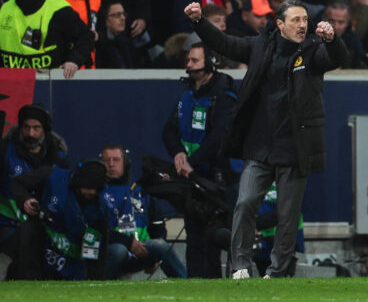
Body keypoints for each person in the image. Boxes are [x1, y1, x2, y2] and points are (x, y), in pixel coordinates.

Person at [184, 0, 350, 278]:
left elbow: (337, 59)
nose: (302, 25)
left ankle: (277, 271)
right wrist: (199, 22)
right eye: (295, 20)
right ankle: (239, 266)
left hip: (295, 146)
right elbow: (226, 43)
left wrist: (332, 40)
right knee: (245, 201)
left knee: (287, 216)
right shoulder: (262, 45)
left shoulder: (312, 50)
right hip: (260, 145)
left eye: (305, 20)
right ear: (280, 24)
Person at [162, 41, 239, 278]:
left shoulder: (224, 97)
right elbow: (169, 130)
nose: (189, 65)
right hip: (193, 179)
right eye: (188, 60)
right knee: (194, 238)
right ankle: (194, 286)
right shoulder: (187, 95)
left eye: (195, 60)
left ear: (211, 64)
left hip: (219, 180)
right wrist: (178, 153)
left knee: (213, 238)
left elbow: (219, 137)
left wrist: (190, 162)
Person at [0, 104, 69, 279]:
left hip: (46, 223)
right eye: (26, 127)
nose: (31, 133)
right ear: (20, 128)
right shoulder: (5, 150)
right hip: (7, 221)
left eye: (36, 128)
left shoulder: (58, 157)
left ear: (44, 130)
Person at [100, 143, 188, 279]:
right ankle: (100, 284)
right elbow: (98, 229)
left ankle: (186, 284)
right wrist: (128, 243)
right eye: (106, 160)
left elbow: (157, 225)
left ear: (126, 162)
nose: (111, 164)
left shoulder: (140, 189)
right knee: (119, 250)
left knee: (160, 245)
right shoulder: (96, 190)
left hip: (140, 251)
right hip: (110, 252)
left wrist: (155, 258)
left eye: (116, 160)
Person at [12, 160, 109, 280]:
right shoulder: (52, 175)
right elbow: (18, 184)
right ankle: (27, 279)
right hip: (43, 238)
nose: (93, 192)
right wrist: (25, 199)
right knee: (29, 228)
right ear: (79, 182)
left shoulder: (100, 207)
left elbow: (98, 248)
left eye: (97, 189)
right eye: (90, 187)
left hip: (72, 255)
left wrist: (95, 281)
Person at [0, 0, 94, 78]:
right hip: (12, 83)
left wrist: (74, 61)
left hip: (49, 86)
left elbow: (87, 37)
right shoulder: (4, 8)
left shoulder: (59, 10)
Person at [95, 2, 150, 68]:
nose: (123, 18)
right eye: (117, 15)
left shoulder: (131, 44)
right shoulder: (99, 46)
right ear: (106, 20)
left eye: (124, 14)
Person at [322, 0, 364, 68]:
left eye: (341, 22)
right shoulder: (313, 39)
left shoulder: (353, 41)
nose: (336, 26)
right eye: (332, 21)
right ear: (323, 19)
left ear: (347, 23)